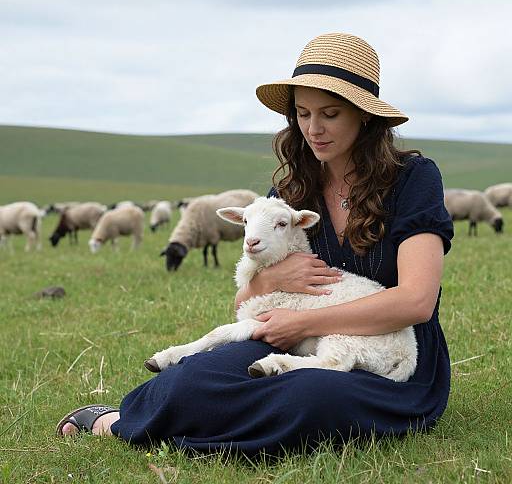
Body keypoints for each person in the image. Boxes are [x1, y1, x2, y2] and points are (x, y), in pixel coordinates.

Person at [56, 33, 454, 457]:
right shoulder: (291, 190)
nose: (313, 129)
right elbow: (245, 303)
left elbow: (416, 301)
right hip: (286, 339)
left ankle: (163, 430)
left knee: (309, 395)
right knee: (191, 377)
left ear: (365, 116)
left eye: (330, 114)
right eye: (302, 114)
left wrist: (303, 324)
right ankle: (121, 419)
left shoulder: (413, 179)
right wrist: (269, 283)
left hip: (387, 354)